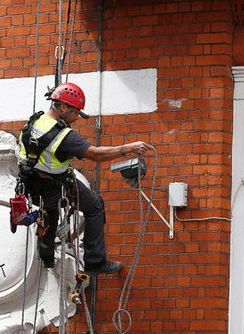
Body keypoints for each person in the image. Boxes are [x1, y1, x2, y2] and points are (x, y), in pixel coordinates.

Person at [16, 82, 151, 274]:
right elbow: (96, 154)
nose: (77, 118)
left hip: (31, 185)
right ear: (62, 107)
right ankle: (95, 262)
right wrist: (127, 149)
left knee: (49, 214)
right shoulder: (64, 136)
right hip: (55, 185)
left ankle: (46, 257)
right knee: (94, 205)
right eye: (75, 112)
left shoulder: (34, 122)